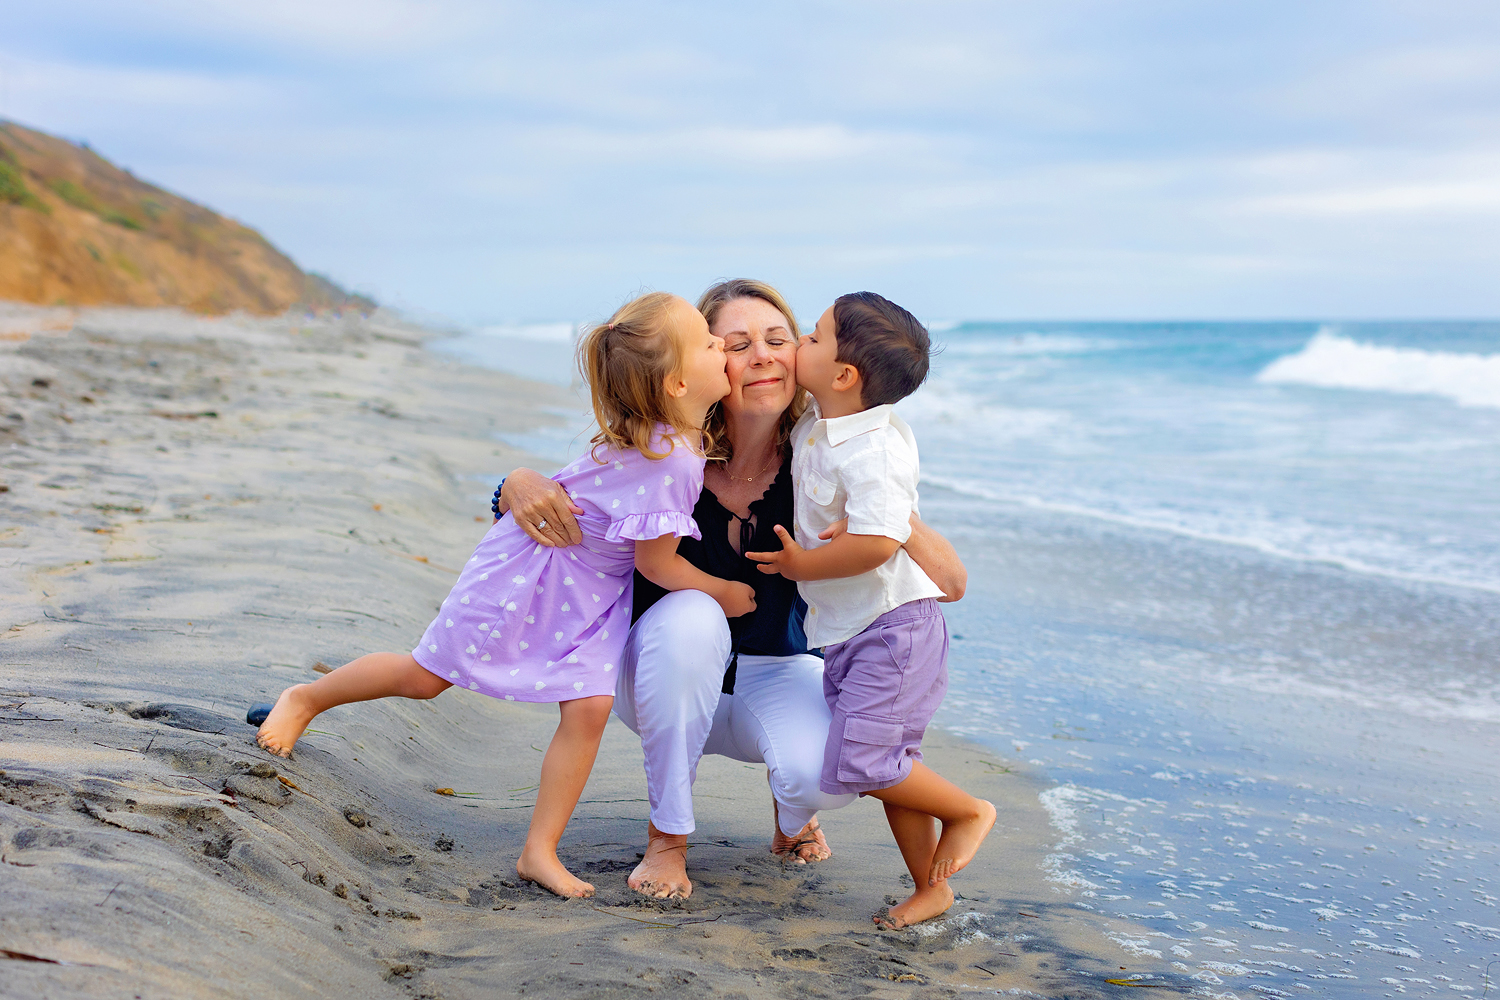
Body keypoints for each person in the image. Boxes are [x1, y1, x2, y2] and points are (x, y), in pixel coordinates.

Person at [252, 292, 753, 899]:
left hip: (590, 594)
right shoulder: (672, 454)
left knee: (588, 710)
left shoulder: (672, 438)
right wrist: (721, 590)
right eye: (708, 341)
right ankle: (305, 698)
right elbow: (657, 562)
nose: (722, 345)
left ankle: (539, 850)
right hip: (530, 572)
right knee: (426, 675)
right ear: (675, 383)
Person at [495, 279, 968, 901]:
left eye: (780, 339)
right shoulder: (667, 451)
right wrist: (514, 482)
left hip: (776, 671)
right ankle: (668, 841)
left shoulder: (825, 463)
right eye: (738, 344)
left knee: (826, 775)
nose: (764, 355)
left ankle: (791, 809)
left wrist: (893, 517)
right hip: (664, 672)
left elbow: (951, 582)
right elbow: (572, 501)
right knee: (692, 613)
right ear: (702, 364)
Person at [746, 291, 995, 929]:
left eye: (813, 338)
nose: (798, 343)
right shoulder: (818, 425)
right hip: (851, 631)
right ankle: (930, 887)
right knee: (890, 767)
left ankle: (968, 811)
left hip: (893, 630)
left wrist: (802, 566)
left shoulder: (875, 449)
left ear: (843, 375)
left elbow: (880, 541)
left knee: (866, 765)